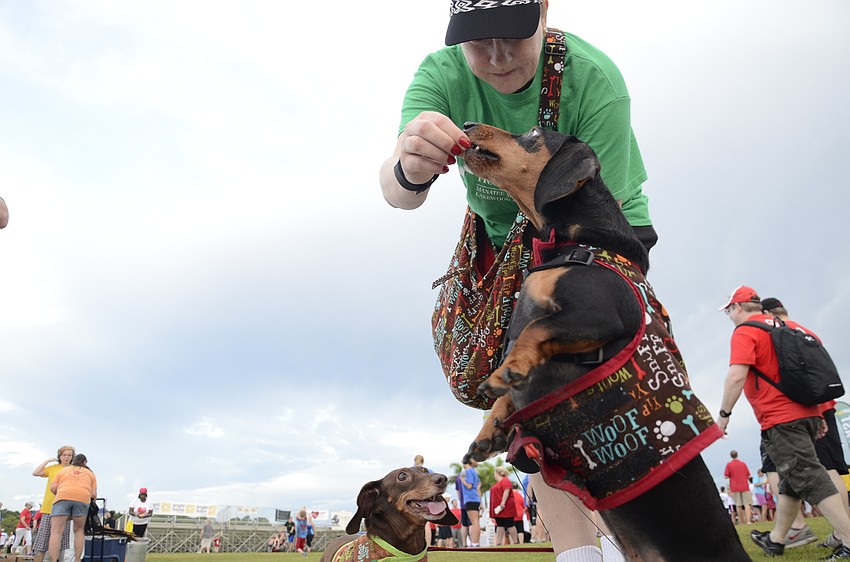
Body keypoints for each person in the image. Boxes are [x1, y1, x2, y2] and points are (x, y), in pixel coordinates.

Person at [382, 3, 656, 560]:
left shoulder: (592, 79)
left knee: (593, 396)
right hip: (503, 247)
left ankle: (635, 537)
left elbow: (613, 216)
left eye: (512, 34)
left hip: (600, 235)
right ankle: (580, 553)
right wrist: (410, 164)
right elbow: (397, 192)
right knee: (534, 404)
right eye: (478, 41)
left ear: (545, 10)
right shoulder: (442, 74)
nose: (498, 57)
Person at [717, 285, 850, 558]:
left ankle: (847, 538)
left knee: (811, 477)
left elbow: (736, 377)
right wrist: (818, 412)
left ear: (737, 308)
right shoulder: (786, 326)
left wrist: (723, 417)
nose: (729, 316)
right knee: (791, 477)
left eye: (729, 310)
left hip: (781, 417)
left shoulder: (746, 331)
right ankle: (777, 539)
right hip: (808, 411)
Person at [762, 296, 850, 549]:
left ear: (770, 314)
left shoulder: (782, 332)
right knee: (832, 468)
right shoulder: (807, 331)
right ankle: (838, 534)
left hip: (807, 410)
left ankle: (844, 535)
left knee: (824, 471)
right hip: (828, 406)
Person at [49, 454, 96, 562]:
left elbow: (53, 487)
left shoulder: (63, 471)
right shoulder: (90, 473)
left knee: (56, 531)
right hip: (82, 499)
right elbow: (93, 494)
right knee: (79, 530)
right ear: (85, 462)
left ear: (72, 460)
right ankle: (77, 559)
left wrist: (60, 492)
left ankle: (54, 560)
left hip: (63, 497)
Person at [32, 446, 75, 562]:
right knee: (42, 541)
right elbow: (35, 472)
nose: (66, 457)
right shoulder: (53, 468)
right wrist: (47, 461)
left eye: (69, 455)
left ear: (72, 457)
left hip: (65, 508)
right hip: (49, 507)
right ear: (59, 456)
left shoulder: (74, 469)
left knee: (61, 541)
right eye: (64, 455)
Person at [489, 467, 518, 545]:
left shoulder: (505, 480)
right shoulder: (498, 483)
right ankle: (498, 542)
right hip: (498, 509)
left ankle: (515, 541)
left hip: (506, 507)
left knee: (510, 524)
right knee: (500, 524)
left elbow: (506, 490)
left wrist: (503, 502)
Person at [724, 450, 752, 525]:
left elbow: (726, 476)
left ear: (731, 456)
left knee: (738, 504)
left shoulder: (729, 465)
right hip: (744, 485)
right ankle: (748, 521)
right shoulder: (743, 464)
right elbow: (749, 475)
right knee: (747, 503)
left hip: (734, 486)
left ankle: (741, 521)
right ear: (737, 455)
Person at [459, 458, 482, 547]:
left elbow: (469, 485)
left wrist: (462, 480)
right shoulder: (473, 471)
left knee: (474, 521)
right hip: (475, 498)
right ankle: (476, 542)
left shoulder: (468, 471)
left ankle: (475, 542)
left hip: (470, 498)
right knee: (475, 521)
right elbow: (478, 484)